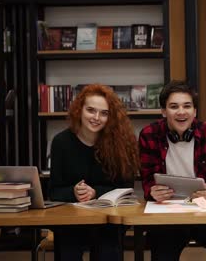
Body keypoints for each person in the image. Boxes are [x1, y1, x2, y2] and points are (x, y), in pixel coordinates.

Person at [139, 81, 206, 261]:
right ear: (163, 111)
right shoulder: (149, 134)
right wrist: (152, 191)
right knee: (162, 249)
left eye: (187, 106)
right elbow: (147, 181)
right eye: (173, 106)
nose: (181, 112)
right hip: (168, 213)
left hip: (204, 210)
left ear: (194, 111)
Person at [50, 84, 140, 261]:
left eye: (104, 113)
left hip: (107, 220)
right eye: (91, 110)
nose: (96, 118)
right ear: (79, 110)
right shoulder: (61, 142)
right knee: (68, 248)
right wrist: (74, 192)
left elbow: (126, 189)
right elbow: (53, 191)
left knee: (108, 247)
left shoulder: (120, 143)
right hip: (71, 219)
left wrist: (95, 193)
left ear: (111, 117)